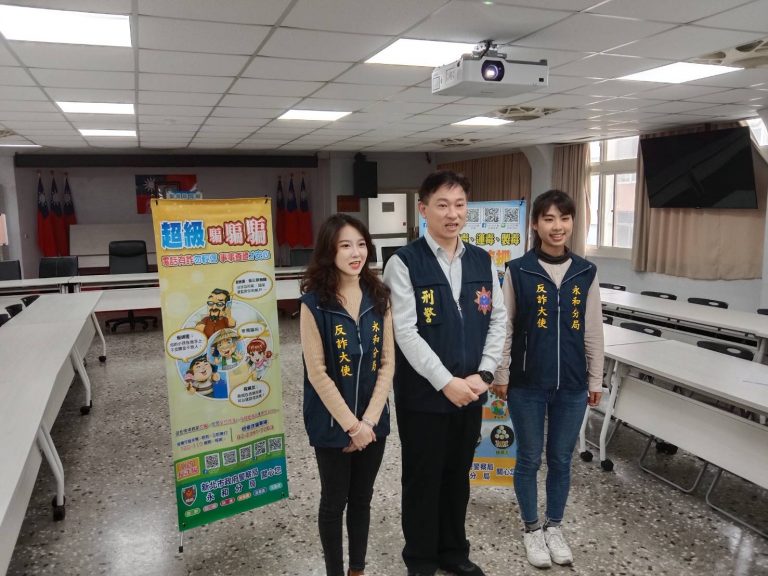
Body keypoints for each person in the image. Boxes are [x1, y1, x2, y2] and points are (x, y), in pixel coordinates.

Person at [384, 170, 506, 576]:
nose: (452, 214)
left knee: (457, 477)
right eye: (442, 205)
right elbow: (405, 332)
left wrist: (485, 374)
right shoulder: (404, 263)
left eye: (459, 205)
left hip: (470, 392)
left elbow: (498, 320)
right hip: (424, 398)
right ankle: (420, 558)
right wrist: (445, 382)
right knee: (423, 479)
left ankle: (454, 551)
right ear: (423, 210)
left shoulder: (482, 260)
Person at [491, 189, 604, 569]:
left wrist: (595, 379)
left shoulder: (585, 272)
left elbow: (593, 330)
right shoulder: (519, 270)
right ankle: (532, 529)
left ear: (573, 223)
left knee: (560, 459)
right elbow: (505, 326)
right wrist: (502, 372)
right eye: (549, 219)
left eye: (565, 218)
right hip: (527, 383)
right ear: (535, 224)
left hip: (572, 384)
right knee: (528, 458)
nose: (558, 226)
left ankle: (555, 526)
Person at [300, 213, 394, 576]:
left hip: (373, 423)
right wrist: (351, 426)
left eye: (361, 244)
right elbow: (317, 372)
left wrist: (368, 422)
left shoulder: (379, 297)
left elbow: (387, 363)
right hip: (331, 424)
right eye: (345, 245)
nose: (356, 253)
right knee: (333, 502)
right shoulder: (314, 304)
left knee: (362, 501)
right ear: (330, 251)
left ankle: (357, 569)